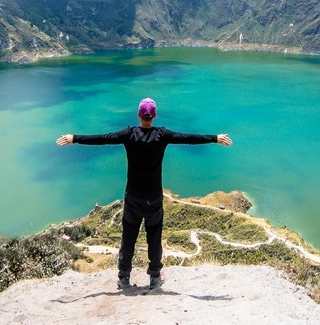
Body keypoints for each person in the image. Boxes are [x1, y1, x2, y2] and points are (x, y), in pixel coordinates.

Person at [56, 97, 233, 290]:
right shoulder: (162, 135)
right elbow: (188, 138)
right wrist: (215, 138)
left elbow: (103, 139)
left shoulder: (129, 134)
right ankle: (155, 276)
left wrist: (75, 138)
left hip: (133, 196)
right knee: (154, 237)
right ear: (154, 116)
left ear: (139, 115)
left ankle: (124, 277)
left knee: (129, 237)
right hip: (154, 198)